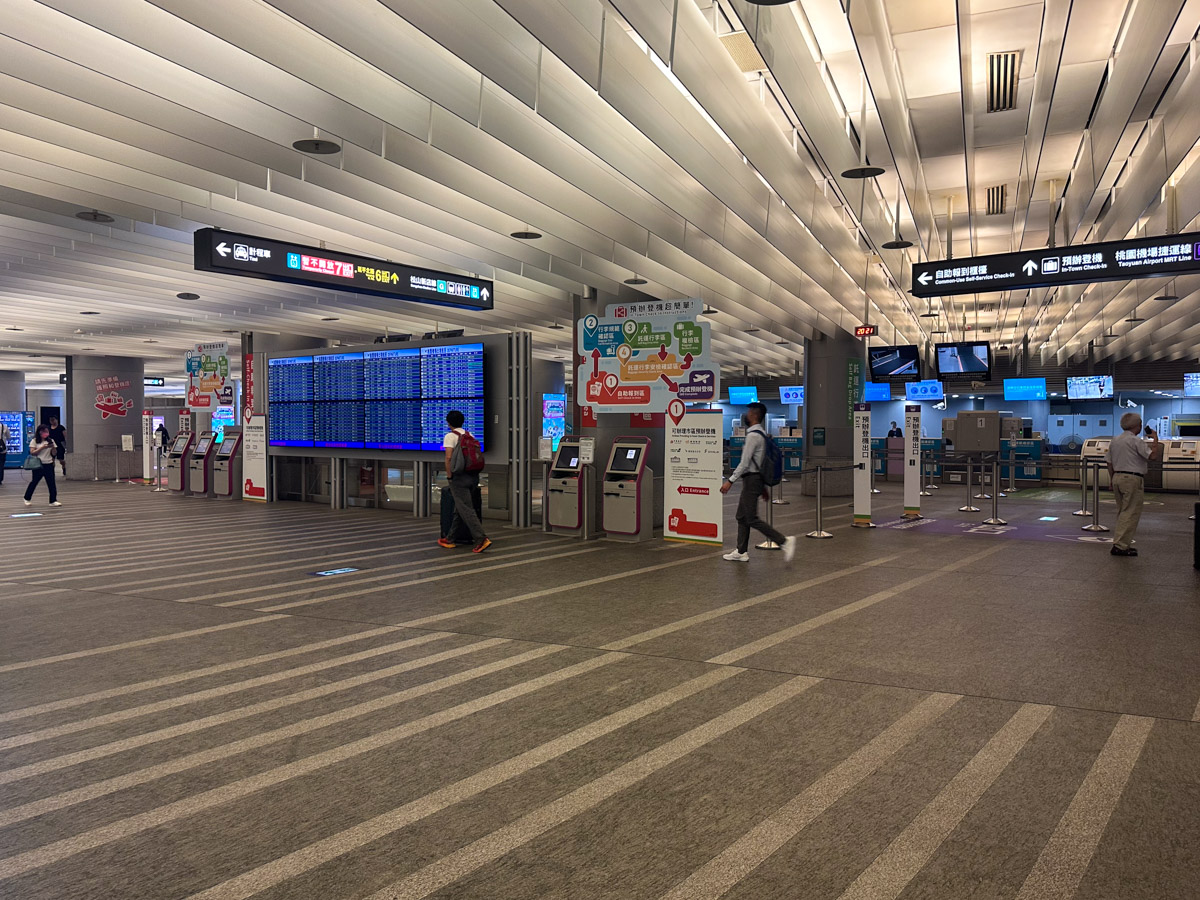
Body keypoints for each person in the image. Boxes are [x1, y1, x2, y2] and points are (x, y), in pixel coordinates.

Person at [720, 401, 794, 563]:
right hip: (754, 480)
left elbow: (745, 463)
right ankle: (741, 551)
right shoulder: (761, 434)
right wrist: (762, 487)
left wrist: (730, 481)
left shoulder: (753, 436)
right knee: (741, 516)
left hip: (752, 480)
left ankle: (783, 541)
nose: (745, 416)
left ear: (754, 415)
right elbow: (758, 462)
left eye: (748, 413)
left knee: (751, 517)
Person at [1105, 413, 1161, 556]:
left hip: (1117, 477)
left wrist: (1112, 480)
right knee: (1130, 512)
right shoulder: (1136, 441)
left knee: (1122, 511)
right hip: (1132, 479)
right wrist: (1155, 439)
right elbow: (1152, 456)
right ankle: (1121, 546)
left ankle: (1120, 542)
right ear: (1138, 425)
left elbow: (1109, 462)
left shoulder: (1115, 440)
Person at [438, 409, 491, 553]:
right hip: (473, 476)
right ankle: (450, 538)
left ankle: (482, 539)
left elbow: (448, 458)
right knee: (460, 508)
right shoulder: (469, 435)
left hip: (459, 478)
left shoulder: (450, 436)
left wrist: (449, 476)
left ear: (449, 423)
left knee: (466, 509)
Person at [24, 424, 61, 507]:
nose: (45, 433)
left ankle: (53, 500)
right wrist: (42, 448)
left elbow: (54, 453)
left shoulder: (51, 440)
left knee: (51, 483)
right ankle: (27, 498)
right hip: (38, 464)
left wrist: (53, 448)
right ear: (39, 432)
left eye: (47, 431)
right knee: (34, 482)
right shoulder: (34, 441)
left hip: (49, 464)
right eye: (44, 431)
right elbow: (32, 452)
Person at [0, 418, 9, 484]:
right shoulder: (4, 427)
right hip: (2, 449)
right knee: (1, 465)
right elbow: (9, 436)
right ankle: (0, 479)